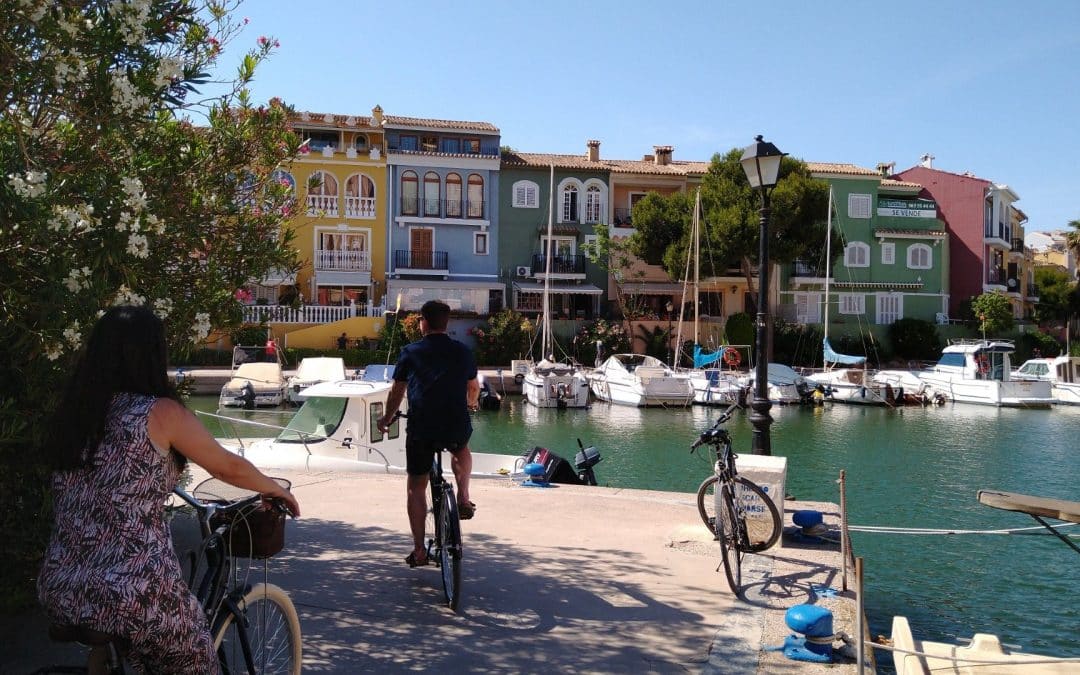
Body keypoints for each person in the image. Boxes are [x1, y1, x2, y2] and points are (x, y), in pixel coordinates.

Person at [37, 306, 300, 675]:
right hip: (133, 591)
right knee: (196, 662)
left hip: (61, 585)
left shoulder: (78, 413)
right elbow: (227, 466)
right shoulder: (160, 413)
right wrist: (275, 490)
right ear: (153, 354)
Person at [377, 300, 479, 568]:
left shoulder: (410, 351)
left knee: (416, 486)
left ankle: (420, 550)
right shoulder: (463, 351)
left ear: (423, 322)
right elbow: (473, 388)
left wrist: (387, 419)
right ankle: (464, 495)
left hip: (422, 425)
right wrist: (470, 405)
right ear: (447, 323)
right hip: (455, 421)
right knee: (461, 449)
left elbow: (397, 391)